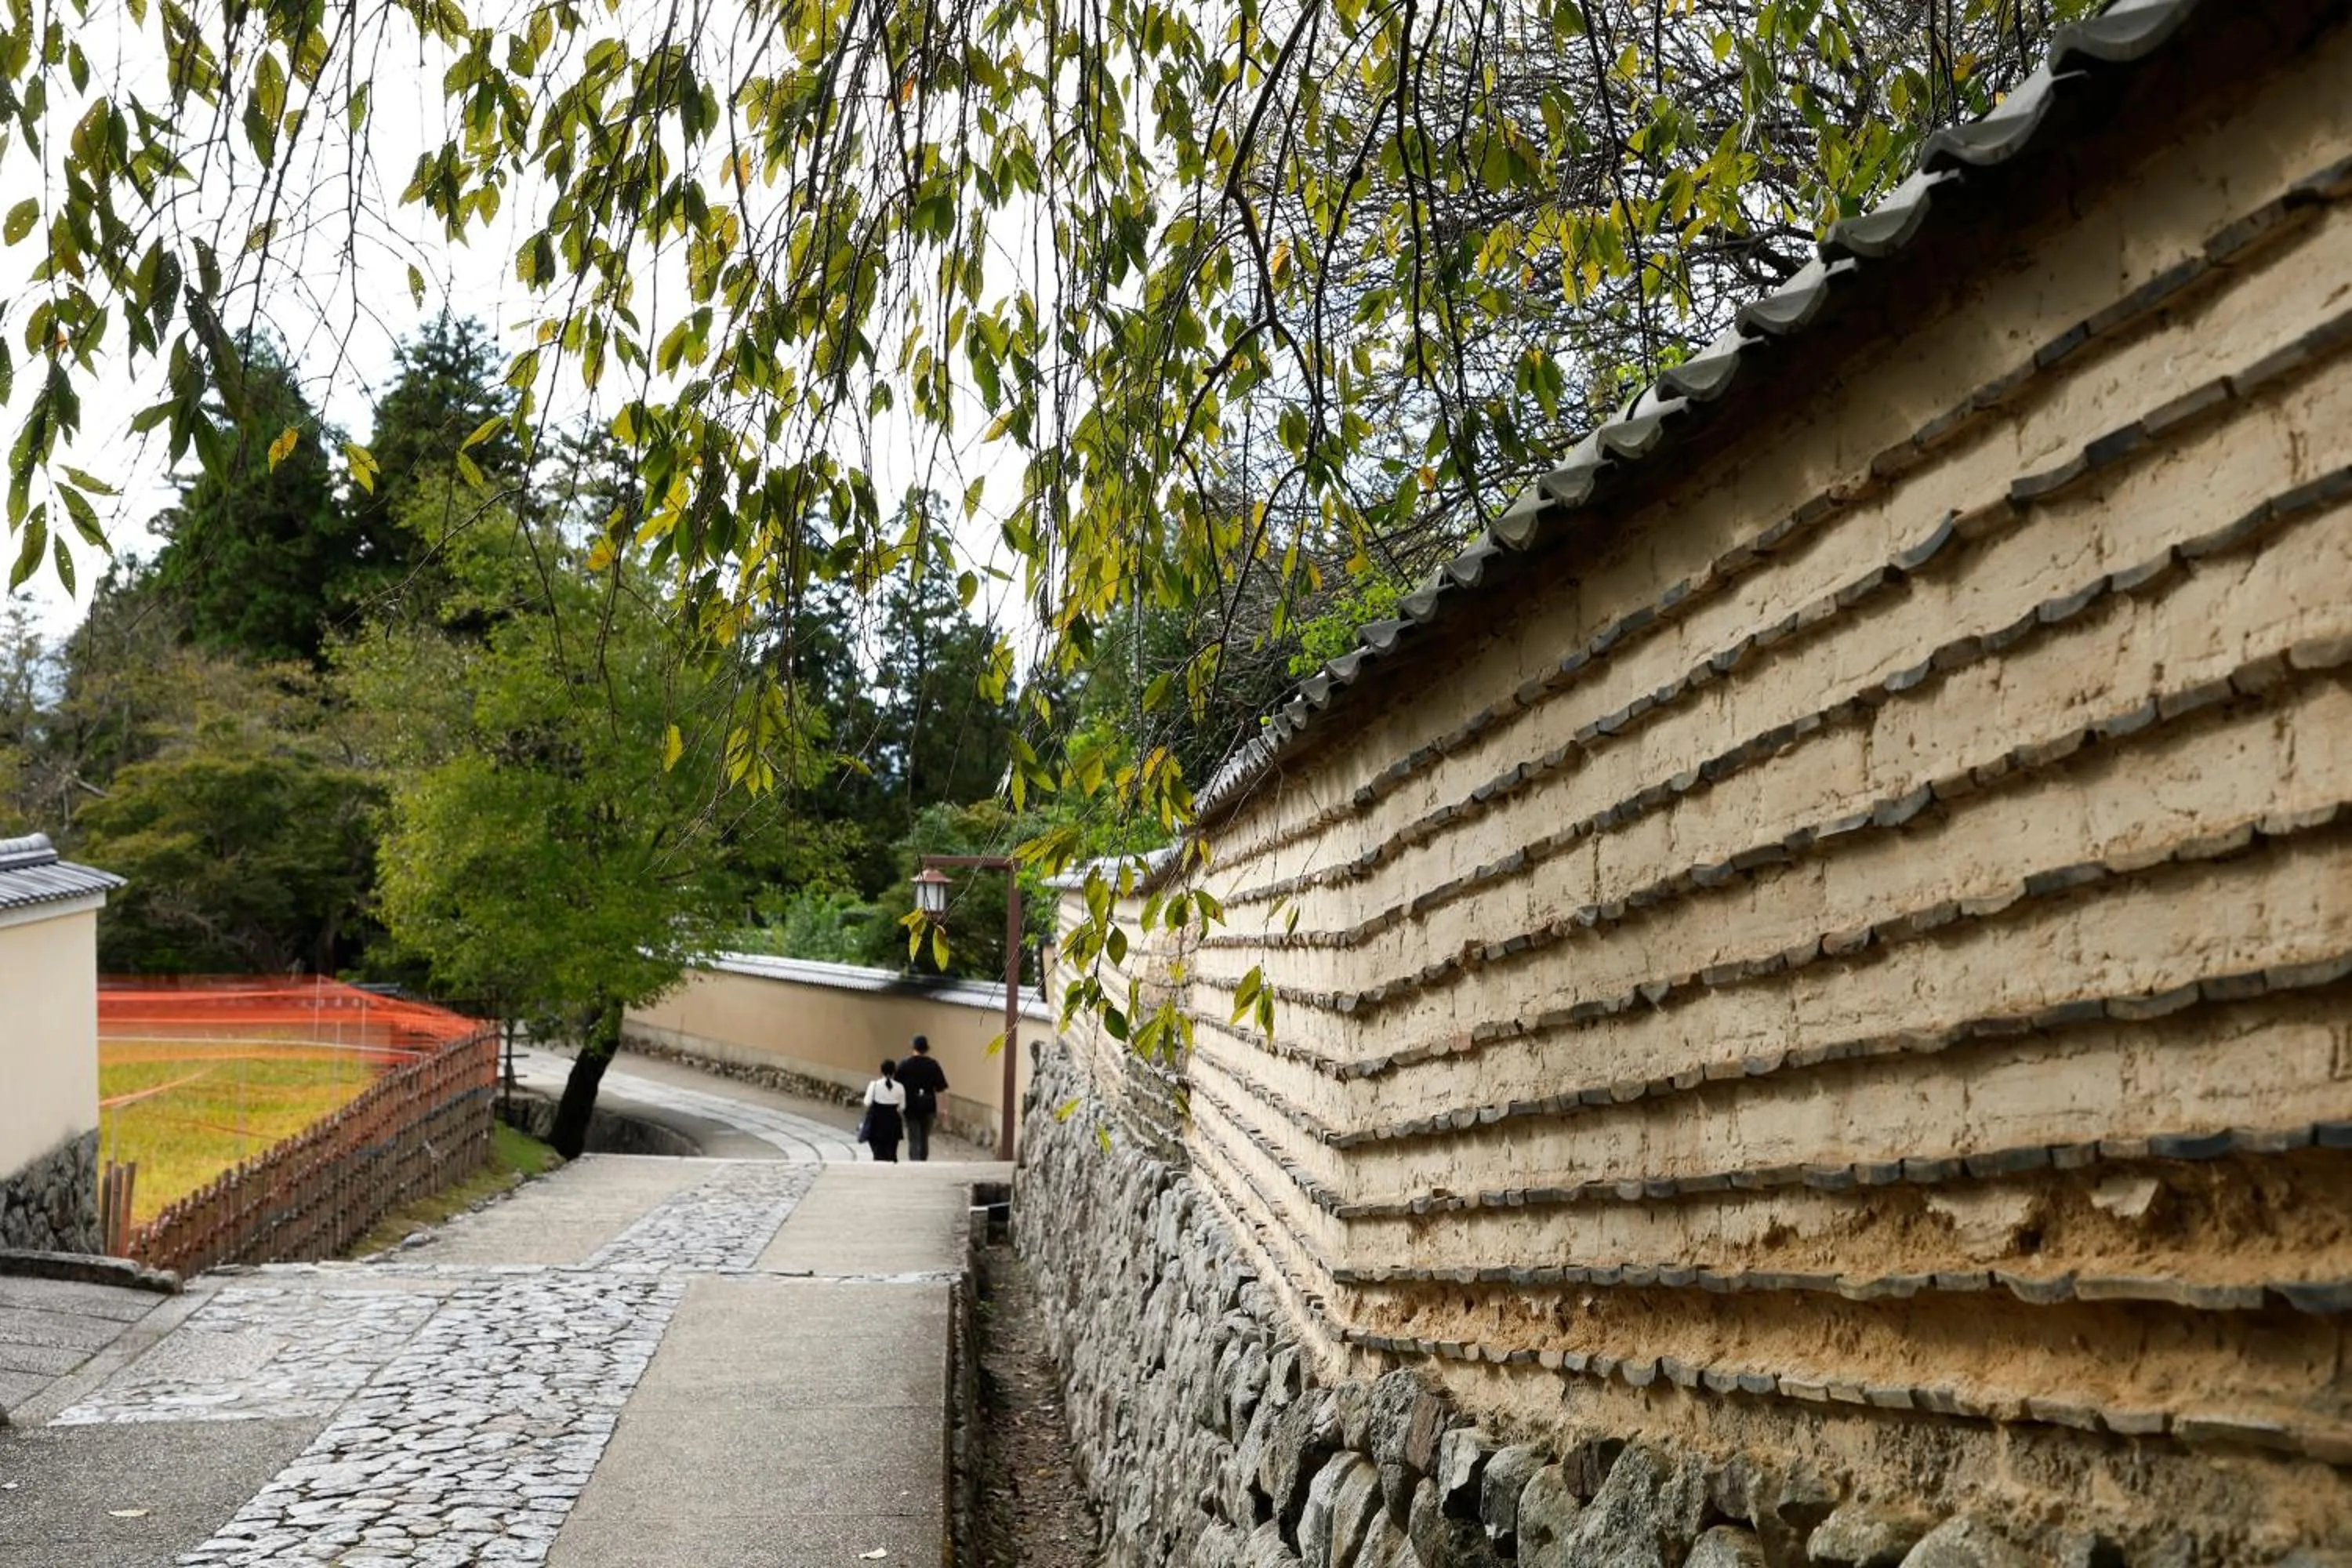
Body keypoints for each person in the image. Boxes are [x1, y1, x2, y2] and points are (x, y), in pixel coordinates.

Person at [895, 1034, 949, 1162]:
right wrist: (944, 1110)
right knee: (924, 1137)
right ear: (926, 1049)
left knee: (914, 1136)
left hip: (910, 1105)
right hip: (928, 1105)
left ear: (913, 1048)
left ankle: (914, 1162)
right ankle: (923, 1161)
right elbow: (941, 1089)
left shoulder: (904, 1065)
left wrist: (896, 1105)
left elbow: (896, 1086)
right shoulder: (933, 1065)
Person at [862, 1058, 907, 1163]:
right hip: (893, 1122)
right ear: (894, 1072)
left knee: (878, 1153)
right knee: (891, 1152)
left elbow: (867, 1102)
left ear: (881, 1071)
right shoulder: (900, 1087)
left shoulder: (874, 1085)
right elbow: (902, 1107)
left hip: (876, 1122)